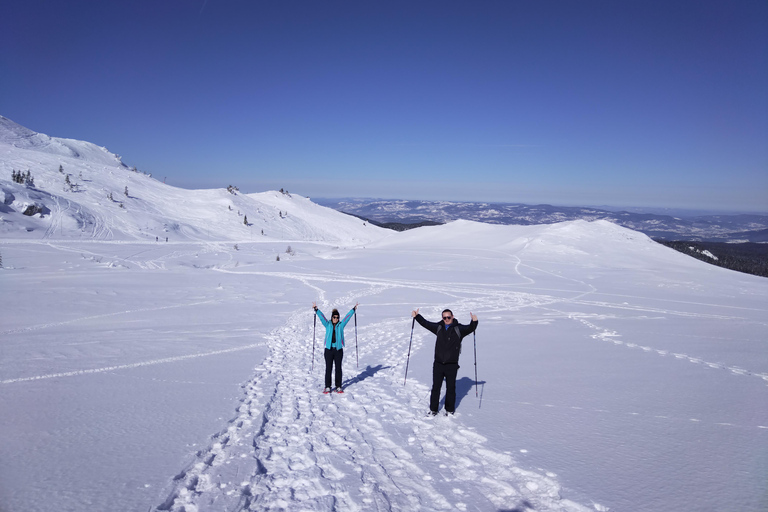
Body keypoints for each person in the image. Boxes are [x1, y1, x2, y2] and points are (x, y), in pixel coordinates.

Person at [412, 308, 478, 415]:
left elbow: (470, 328)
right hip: (438, 364)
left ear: (452, 316)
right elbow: (426, 324)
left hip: (451, 365)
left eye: (448, 317)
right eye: (444, 317)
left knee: (450, 388)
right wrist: (417, 316)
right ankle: (433, 409)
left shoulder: (458, 329)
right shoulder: (439, 327)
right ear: (442, 318)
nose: (446, 319)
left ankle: (449, 409)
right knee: (436, 388)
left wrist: (474, 321)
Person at [314, 302, 358, 394]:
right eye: (334, 317)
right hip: (328, 350)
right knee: (328, 368)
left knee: (338, 368)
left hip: (338, 350)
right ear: (332, 317)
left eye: (337, 317)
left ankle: (338, 386)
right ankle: (327, 387)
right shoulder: (328, 324)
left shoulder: (341, 325)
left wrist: (353, 310)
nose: (336, 319)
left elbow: (347, 317)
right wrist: (316, 310)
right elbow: (322, 317)